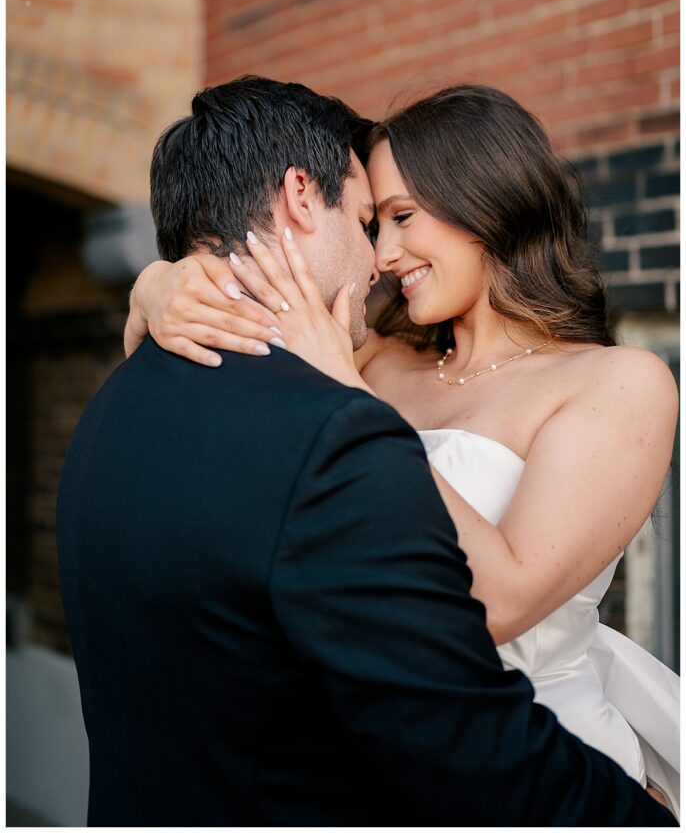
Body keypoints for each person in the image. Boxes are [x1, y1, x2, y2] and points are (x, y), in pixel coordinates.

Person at [58, 76, 676, 827]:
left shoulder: (619, 382)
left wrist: (346, 388)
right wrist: (161, 282)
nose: (382, 254)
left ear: (485, 200)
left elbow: (503, 600)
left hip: (534, 758)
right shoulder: (375, 357)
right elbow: (259, 276)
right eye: (372, 222)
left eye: (401, 218)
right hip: (388, 758)